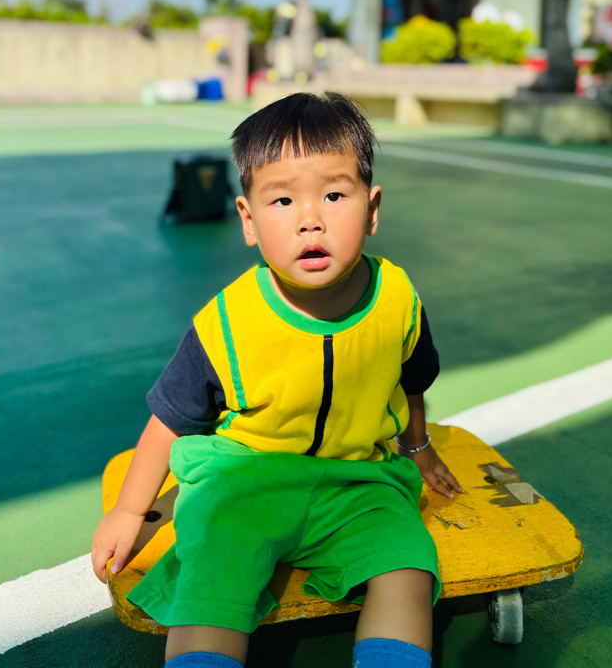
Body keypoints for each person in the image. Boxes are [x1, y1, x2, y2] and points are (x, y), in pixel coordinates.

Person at [92, 92, 462, 668]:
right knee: (213, 576)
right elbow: (170, 419)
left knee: (408, 566)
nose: (310, 219)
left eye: (334, 195)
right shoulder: (226, 322)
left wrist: (417, 447)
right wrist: (127, 512)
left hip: (358, 484)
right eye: (283, 199)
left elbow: (413, 379)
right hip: (244, 483)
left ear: (372, 209)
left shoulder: (398, 298)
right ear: (248, 219)